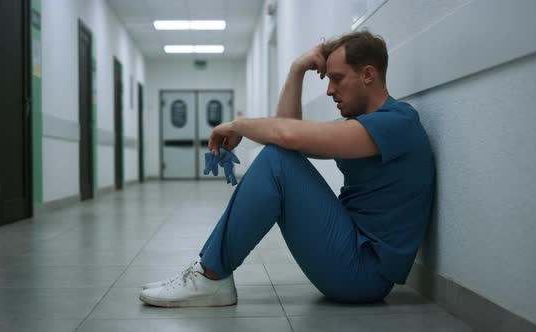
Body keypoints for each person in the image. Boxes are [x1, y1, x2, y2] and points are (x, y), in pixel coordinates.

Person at [139, 30, 435, 307]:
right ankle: (209, 272)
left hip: (364, 274)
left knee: (276, 160)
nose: (330, 90)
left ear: (368, 74)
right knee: (279, 156)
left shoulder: (397, 122)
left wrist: (238, 124)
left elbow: (287, 135)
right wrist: (297, 69)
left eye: (337, 78)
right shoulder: (367, 127)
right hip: (351, 253)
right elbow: (288, 138)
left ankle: (211, 276)